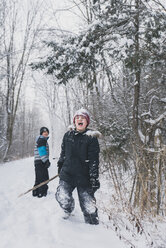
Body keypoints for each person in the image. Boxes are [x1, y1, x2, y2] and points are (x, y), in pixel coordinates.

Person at [55, 108, 101, 225]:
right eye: (77, 118)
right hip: (68, 174)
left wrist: (94, 178)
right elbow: (63, 154)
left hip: (84, 176)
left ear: (87, 122)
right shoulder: (68, 135)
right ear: (74, 121)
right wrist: (60, 168)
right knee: (62, 195)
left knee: (89, 206)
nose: (79, 119)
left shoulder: (91, 138)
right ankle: (68, 209)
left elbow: (94, 161)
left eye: (83, 118)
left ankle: (93, 227)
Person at [32, 127, 50, 198]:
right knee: (44, 177)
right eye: (44, 132)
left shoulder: (40, 139)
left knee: (39, 177)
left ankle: (35, 191)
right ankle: (42, 193)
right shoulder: (42, 140)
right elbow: (42, 151)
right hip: (41, 161)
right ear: (41, 133)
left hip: (38, 162)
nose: (45, 133)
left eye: (47, 132)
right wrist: (46, 161)